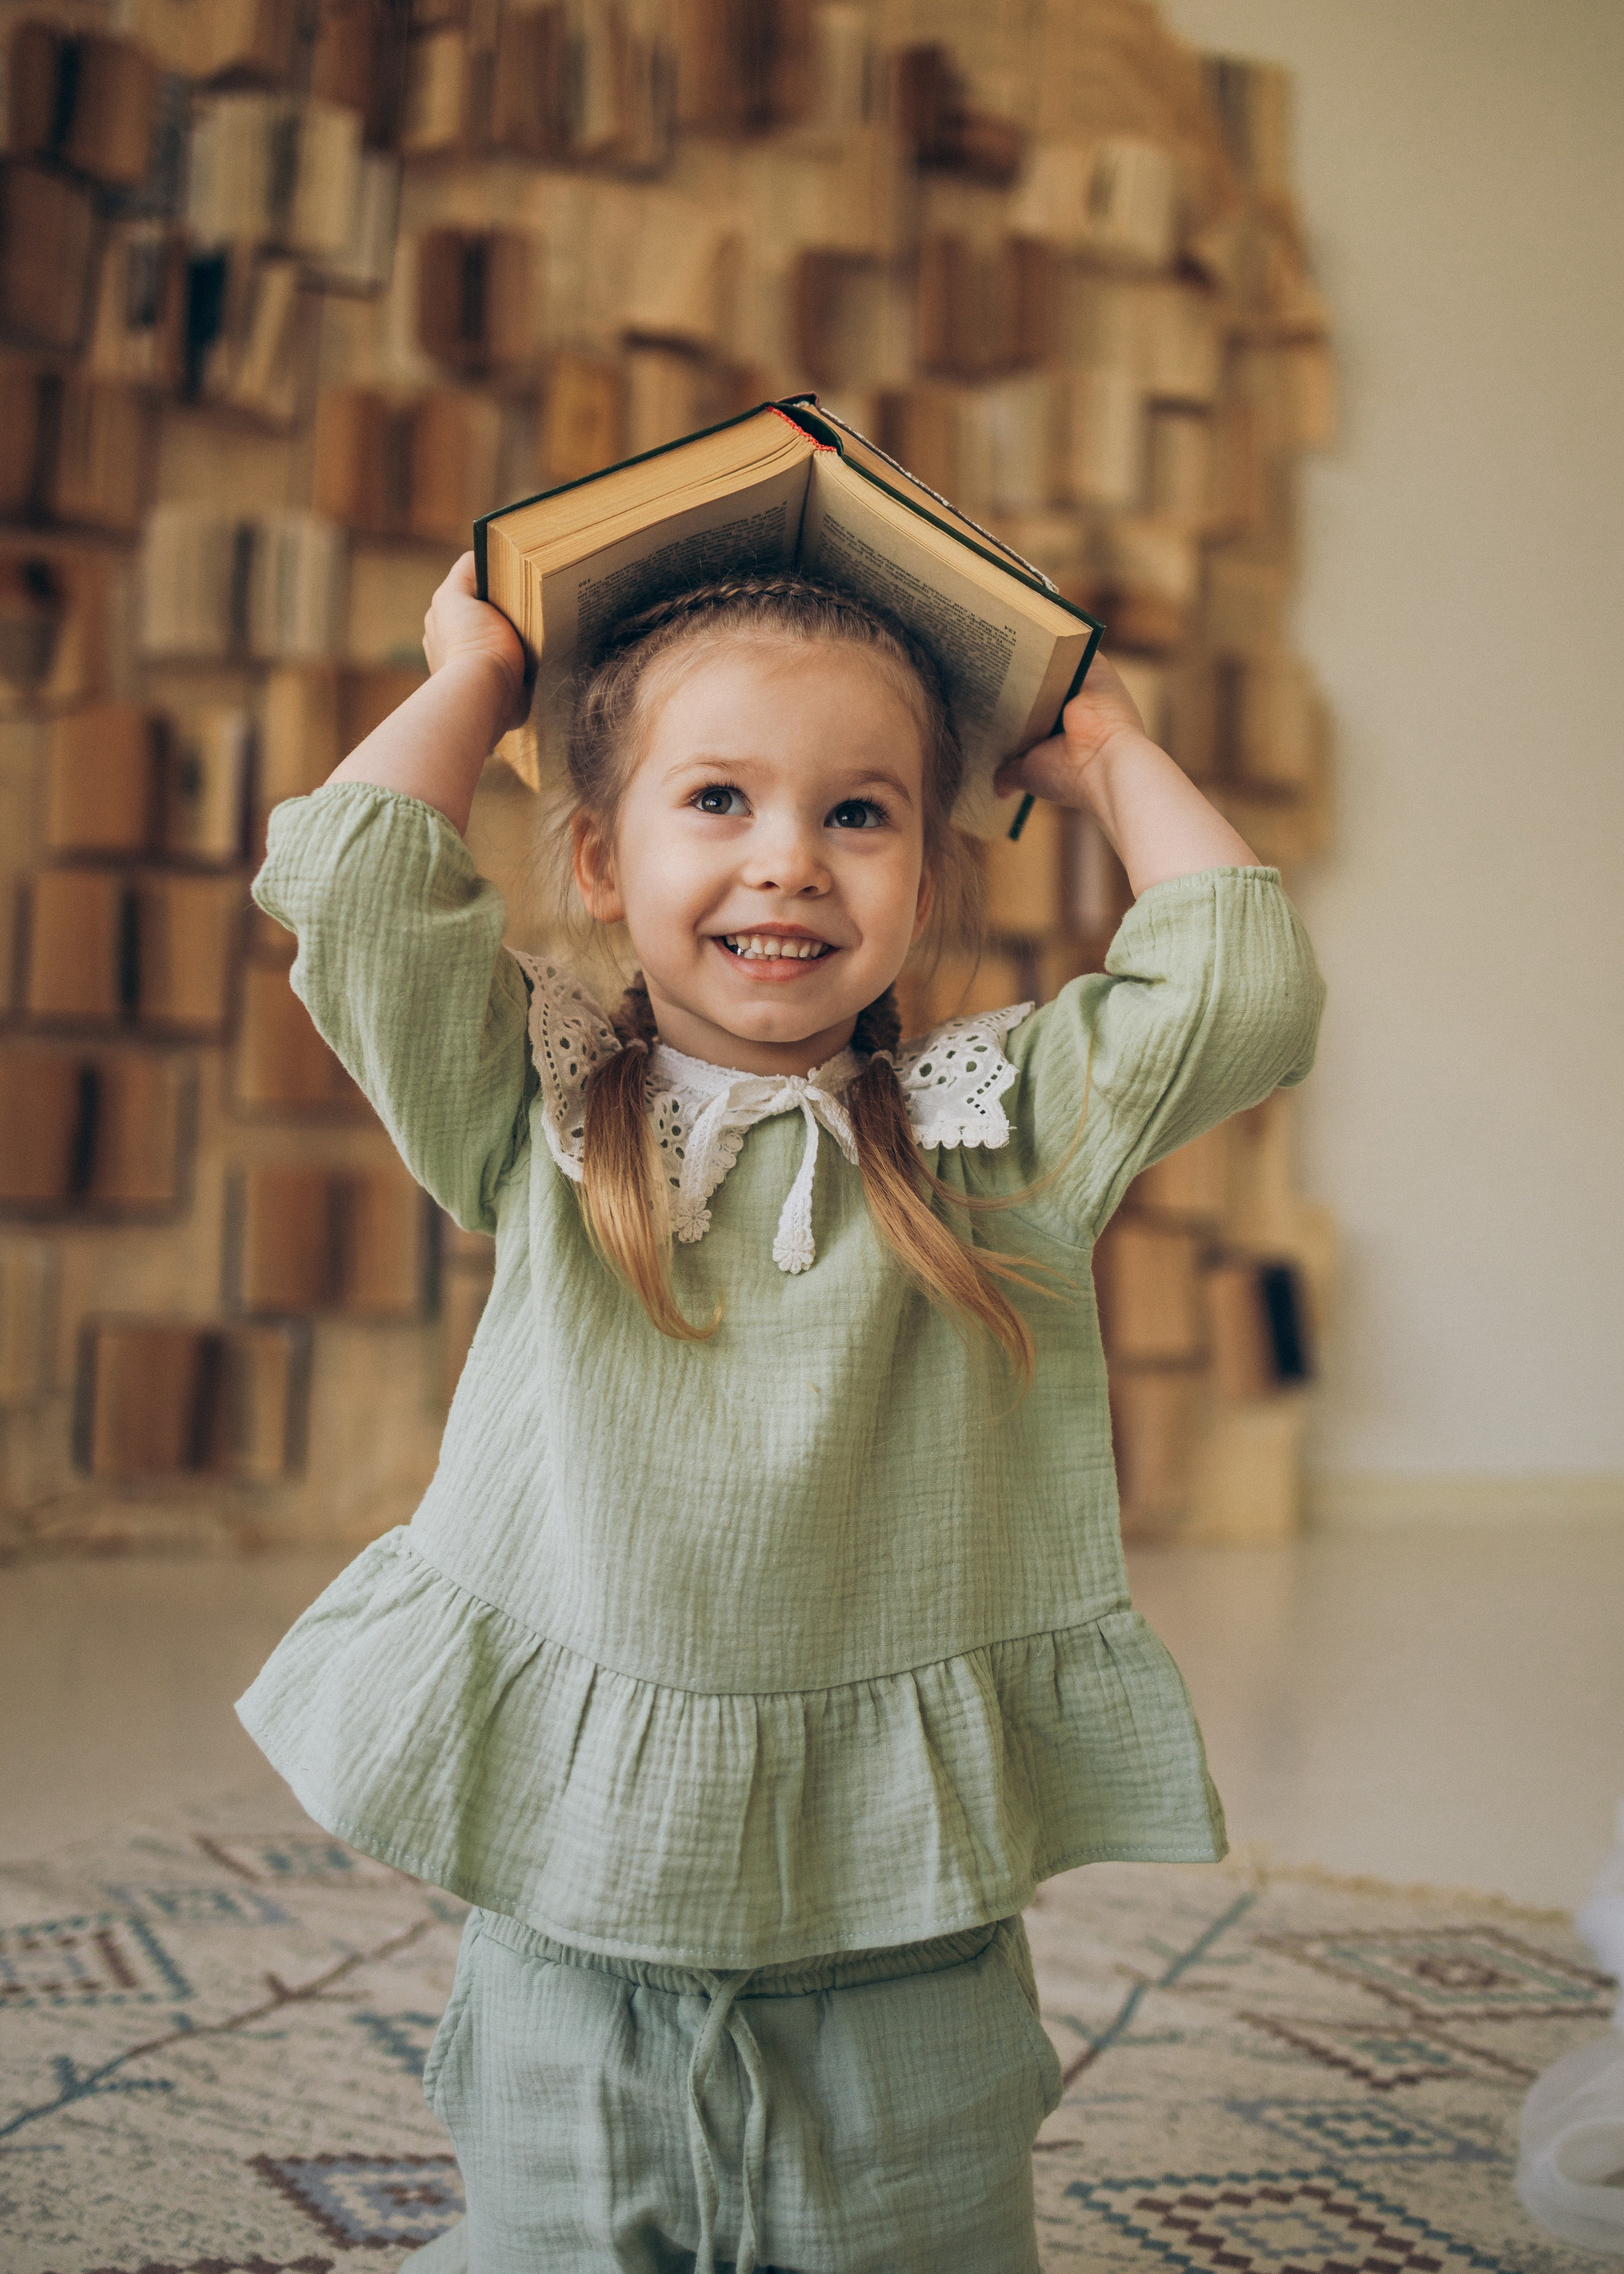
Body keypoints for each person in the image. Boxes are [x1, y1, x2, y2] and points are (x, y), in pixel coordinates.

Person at [239, 553, 1324, 2274]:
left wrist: (1112, 751)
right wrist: (473, 678)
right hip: (573, 1929)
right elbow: (358, 891)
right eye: (718, 798)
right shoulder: (538, 1106)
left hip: (904, 1941)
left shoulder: (997, 1131)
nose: (786, 860)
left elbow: (1241, 989)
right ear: (598, 856)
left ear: (929, 872)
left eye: (861, 813)